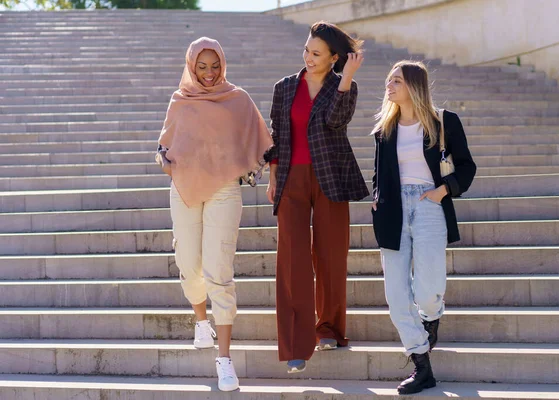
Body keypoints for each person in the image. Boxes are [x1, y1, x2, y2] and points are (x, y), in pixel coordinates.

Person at [155, 37, 272, 392]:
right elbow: (166, 144)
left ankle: (224, 359)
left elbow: (261, 140)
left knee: (219, 271)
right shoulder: (180, 100)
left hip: (225, 189)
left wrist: (252, 163)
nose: (209, 73)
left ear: (223, 64)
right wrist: (165, 159)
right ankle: (201, 320)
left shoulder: (237, 99)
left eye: (215, 65)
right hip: (185, 189)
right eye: (202, 66)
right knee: (189, 264)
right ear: (192, 66)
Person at [263, 21, 370, 374]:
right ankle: (296, 344)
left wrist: (347, 77)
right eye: (306, 50)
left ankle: (330, 329)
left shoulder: (344, 86)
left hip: (331, 176)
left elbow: (335, 122)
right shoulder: (284, 88)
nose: (308, 57)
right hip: (292, 177)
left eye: (316, 53)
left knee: (331, 255)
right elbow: (278, 132)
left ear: (334, 58)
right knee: (292, 258)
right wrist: (274, 175)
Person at [370, 60, 477, 395]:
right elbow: (379, 174)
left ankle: (431, 318)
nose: (389, 84)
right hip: (393, 211)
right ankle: (421, 365)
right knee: (396, 296)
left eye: (396, 80)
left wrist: (443, 191)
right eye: (389, 79)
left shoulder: (444, 122)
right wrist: (377, 196)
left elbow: (467, 167)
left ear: (413, 85)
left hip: (430, 205)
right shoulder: (384, 130)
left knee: (428, 289)